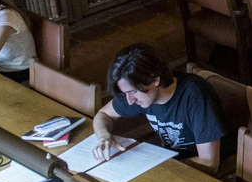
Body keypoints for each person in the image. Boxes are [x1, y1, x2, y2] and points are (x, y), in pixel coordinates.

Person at [92, 44, 225, 172]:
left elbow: (209, 163)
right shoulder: (141, 91)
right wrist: (105, 137)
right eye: (126, 93)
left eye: (132, 92)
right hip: (170, 163)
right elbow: (103, 115)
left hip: (203, 173)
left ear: (155, 80)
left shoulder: (194, 95)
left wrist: (159, 166)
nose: (130, 101)